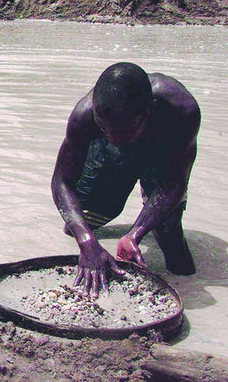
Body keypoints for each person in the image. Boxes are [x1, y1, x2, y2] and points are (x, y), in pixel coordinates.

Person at [51, 62, 199, 297]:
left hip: (161, 152)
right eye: (105, 128)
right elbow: (62, 181)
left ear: (150, 110)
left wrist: (135, 234)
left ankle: (187, 292)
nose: (113, 137)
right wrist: (87, 241)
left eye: (123, 130)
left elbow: (174, 182)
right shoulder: (84, 117)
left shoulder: (182, 111)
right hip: (108, 155)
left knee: (171, 239)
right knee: (79, 225)